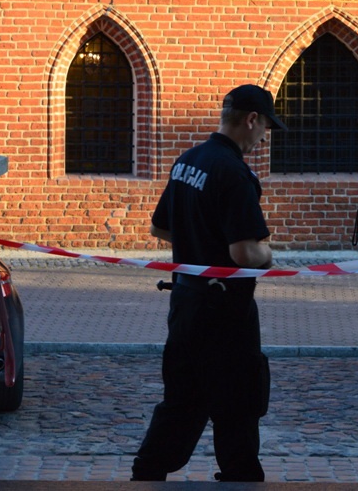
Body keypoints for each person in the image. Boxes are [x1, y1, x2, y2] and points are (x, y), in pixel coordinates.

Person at [131, 84, 286, 482]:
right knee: (239, 403)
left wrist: (198, 244)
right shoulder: (234, 173)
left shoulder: (189, 160)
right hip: (225, 312)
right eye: (265, 127)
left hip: (185, 302)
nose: (263, 138)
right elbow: (244, 254)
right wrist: (268, 256)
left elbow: (160, 227)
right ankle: (242, 478)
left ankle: (145, 475)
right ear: (251, 120)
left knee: (181, 399)